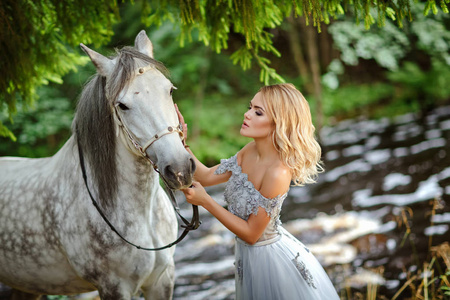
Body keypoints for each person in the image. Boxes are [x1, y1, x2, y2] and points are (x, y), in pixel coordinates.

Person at [176, 83, 340, 299]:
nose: (247, 114)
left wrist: (206, 202)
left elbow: (252, 234)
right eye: (250, 107)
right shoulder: (249, 151)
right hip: (247, 257)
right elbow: (206, 176)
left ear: (278, 123)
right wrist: (180, 143)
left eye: (258, 112)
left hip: (270, 261)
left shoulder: (278, 173)